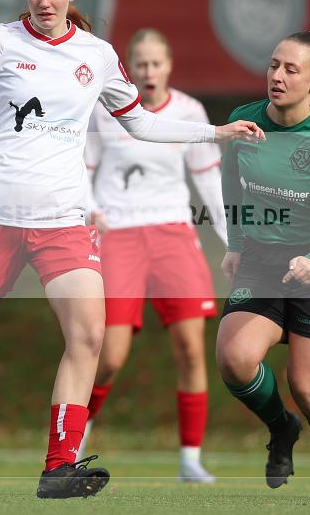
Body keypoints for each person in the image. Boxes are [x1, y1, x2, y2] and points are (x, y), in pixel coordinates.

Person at [0, 0, 263, 500]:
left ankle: (58, 467)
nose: (44, 3)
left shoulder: (96, 56)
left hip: (64, 224)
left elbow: (141, 124)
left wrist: (215, 132)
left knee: (88, 336)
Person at [215, 29, 310, 501]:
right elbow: (232, 186)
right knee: (234, 359)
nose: (277, 76)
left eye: (290, 70)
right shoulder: (243, 123)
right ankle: (282, 427)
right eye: (273, 65)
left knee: (309, 388)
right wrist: (235, 243)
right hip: (263, 258)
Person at [80, 29, 226, 482]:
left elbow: (208, 180)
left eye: (156, 63)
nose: (148, 71)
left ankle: (190, 460)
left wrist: (231, 239)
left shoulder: (189, 112)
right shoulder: (104, 109)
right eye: (140, 64)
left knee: (191, 349)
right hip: (118, 234)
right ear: (129, 67)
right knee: (109, 356)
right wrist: (90, 208)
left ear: (168, 66)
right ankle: (75, 437)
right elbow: (80, 167)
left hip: (173, 234)